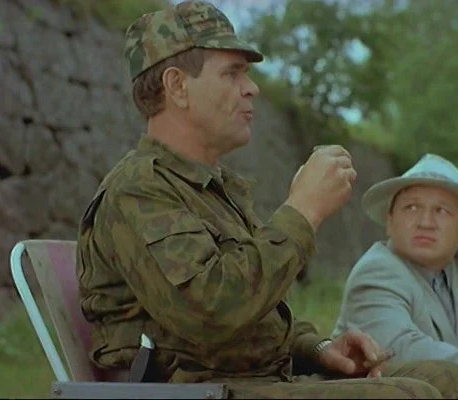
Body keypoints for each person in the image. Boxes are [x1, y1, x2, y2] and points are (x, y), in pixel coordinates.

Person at [76, 1, 458, 397]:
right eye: (232, 72)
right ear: (177, 86)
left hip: (251, 381)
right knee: (408, 396)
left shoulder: (212, 191)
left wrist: (319, 349)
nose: (252, 88)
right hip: (201, 390)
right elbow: (211, 313)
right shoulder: (139, 190)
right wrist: (303, 211)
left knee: (447, 377)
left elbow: (258, 316)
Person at [333, 153, 458, 364]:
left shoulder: (449, 270)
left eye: (442, 211)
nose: (426, 222)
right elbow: (399, 351)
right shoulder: (377, 272)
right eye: (412, 208)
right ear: (389, 221)